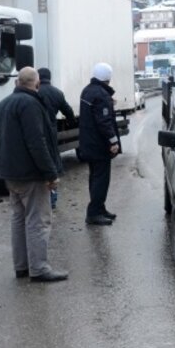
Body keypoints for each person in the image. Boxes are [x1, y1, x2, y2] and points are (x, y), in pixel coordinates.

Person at [0, 66, 67, 282]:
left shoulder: (2, 105)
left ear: (17, 83)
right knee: (38, 220)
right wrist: (50, 173)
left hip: (10, 173)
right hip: (31, 174)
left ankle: (22, 267)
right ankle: (40, 268)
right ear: (36, 84)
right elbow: (37, 142)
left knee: (18, 220)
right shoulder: (31, 105)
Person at [78, 62, 121, 226]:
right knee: (101, 180)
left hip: (88, 143)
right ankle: (94, 213)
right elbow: (104, 121)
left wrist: (108, 104)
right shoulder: (101, 94)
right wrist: (113, 141)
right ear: (108, 78)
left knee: (94, 177)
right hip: (99, 145)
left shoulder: (87, 90)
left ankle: (100, 208)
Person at [37, 67, 75, 209]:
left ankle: (39, 197)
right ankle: (52, 198)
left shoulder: (35, 92)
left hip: (36, 130)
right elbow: (68, 110)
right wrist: (71, 122)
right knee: (52, 161)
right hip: (51, 131)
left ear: (38, 78)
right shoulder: (57, 93)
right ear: (49, 78)